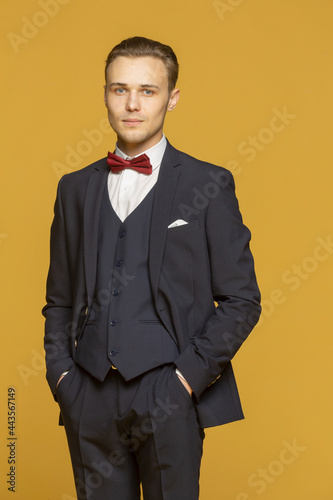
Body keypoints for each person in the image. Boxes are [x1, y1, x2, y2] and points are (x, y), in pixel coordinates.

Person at [42, 36, 261, 500]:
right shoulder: (74, 189)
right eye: (119, 90)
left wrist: (186, 379)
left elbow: (242, 299)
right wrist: (62, 376)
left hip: (170, 393)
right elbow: (59, 297)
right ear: (105, 94)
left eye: (148, 90)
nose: (132, 104)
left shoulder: (208, 183)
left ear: (172, 98)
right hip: (88, 392)